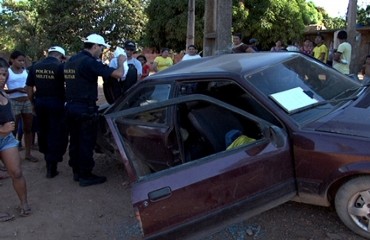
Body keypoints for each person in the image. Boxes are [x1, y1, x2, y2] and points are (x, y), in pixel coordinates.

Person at [64, 33, 126, 187]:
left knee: (75, 141)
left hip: (71, 107)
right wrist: (121, 62)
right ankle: (86, 175)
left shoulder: (72, 60)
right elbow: (118, 74)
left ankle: (77, 172)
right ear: (95, 46)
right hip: (85, 108)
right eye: (101, 48)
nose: (102, 51)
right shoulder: (89, 62)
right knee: (86, 142)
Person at [26, 46, 68, 178]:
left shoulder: (35, 66)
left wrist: (32, 103)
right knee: (56, 133)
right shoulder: (61, 67)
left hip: (40, 103)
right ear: (61, 56)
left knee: (43, 131)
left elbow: (28, 87)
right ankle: (52, 166)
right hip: (57, 104)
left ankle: (48, 161)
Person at [0, 57, 31, 221]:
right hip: (2, 134)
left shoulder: (3, 91)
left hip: (6, 140)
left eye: (4, 74)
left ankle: (23, 203)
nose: (2, 78)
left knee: (17, 172)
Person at [6, 50, 38, 163]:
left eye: (23, 61)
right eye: (19, 60)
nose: (22, 63)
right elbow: (3, 89)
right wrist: (16, 90)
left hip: (26, 101)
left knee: (28, 129)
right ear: (12, 60)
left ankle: (28, 154)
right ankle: (12, 157)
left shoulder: (25, 72)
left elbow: (31, 85)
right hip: (14, 102)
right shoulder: (8, 72)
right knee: (13, 130)